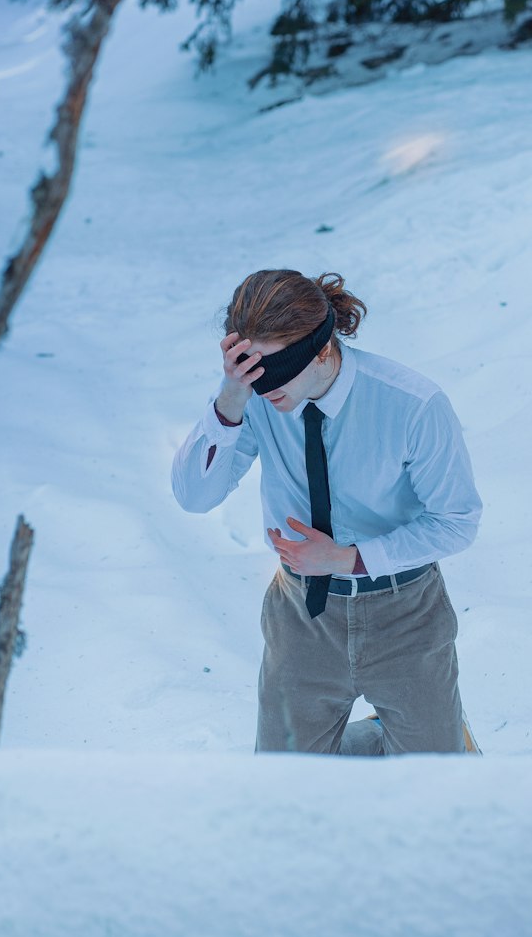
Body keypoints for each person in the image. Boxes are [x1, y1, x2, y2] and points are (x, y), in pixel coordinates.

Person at [171, 269, 482, 755]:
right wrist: (231, 396)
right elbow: (195, 496)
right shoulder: (255, 398)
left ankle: (419, 736)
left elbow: (457, 521)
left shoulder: (413, 405)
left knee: (436, 785)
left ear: (322, 349)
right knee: (285, 789)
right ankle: (378, 737)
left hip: (406, 612)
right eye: (249, 365)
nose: (264, 384)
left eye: (276, 367)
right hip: (301, 615)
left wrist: (349, 559)